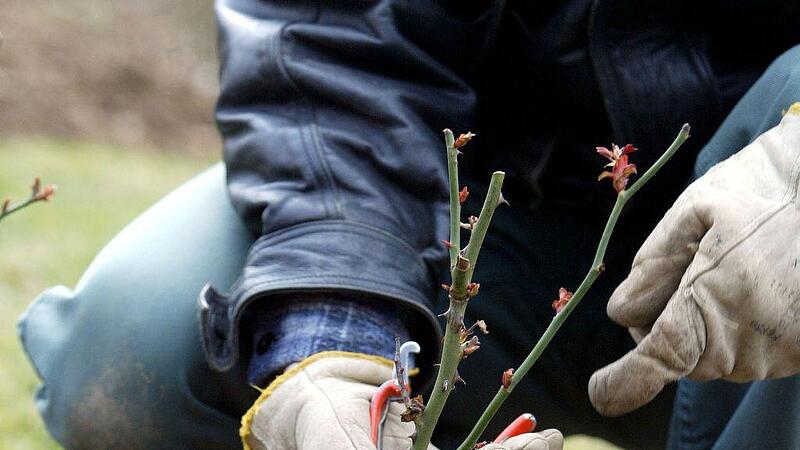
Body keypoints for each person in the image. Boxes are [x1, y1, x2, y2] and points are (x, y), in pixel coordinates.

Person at [18, 1, 800, 449]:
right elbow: (335, 35)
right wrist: (330, 340)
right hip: (508, 221)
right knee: (134, 346)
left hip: (775, 234)